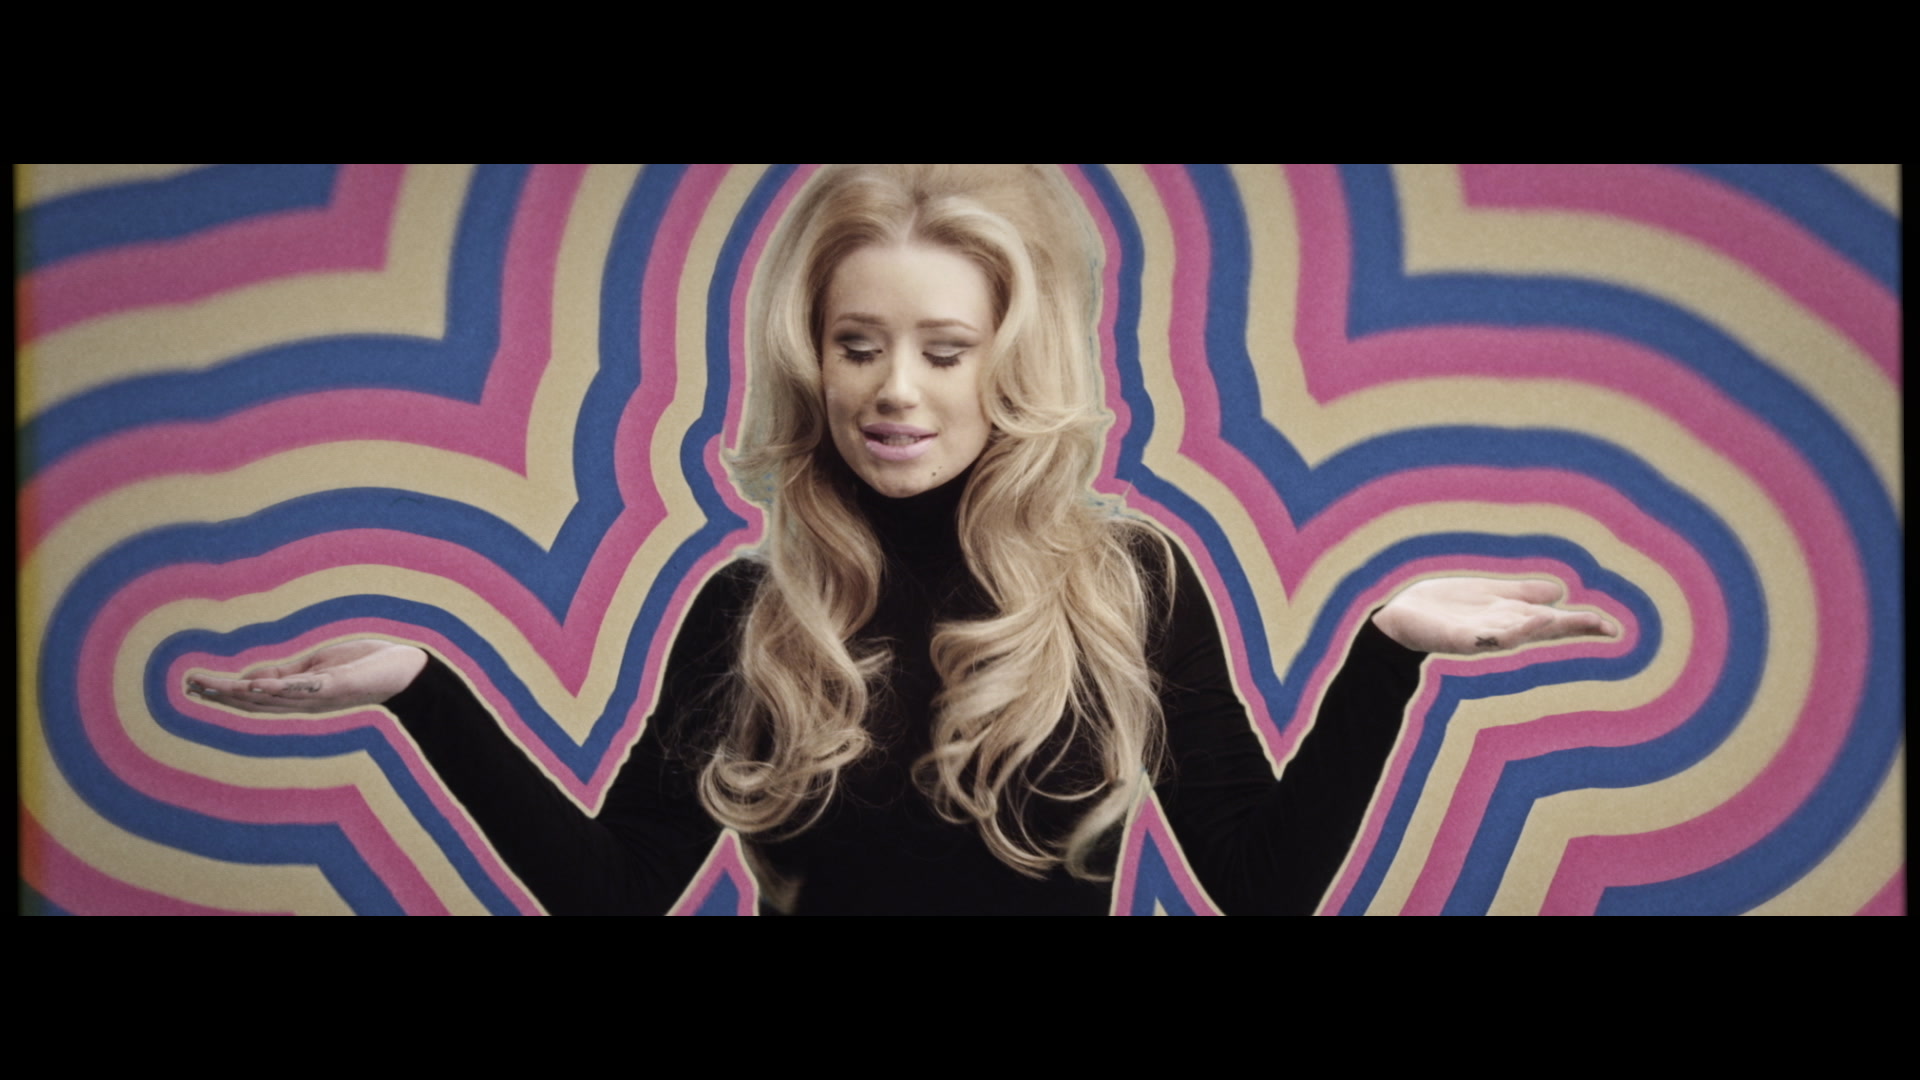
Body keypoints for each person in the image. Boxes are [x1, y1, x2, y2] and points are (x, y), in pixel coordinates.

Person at [185, 165, 1618, 914]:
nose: (895, 390)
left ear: (1012, 358)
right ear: (812, 355)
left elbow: (1263, 888)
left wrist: (1387, 654)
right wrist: (421, 690)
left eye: (945, 347)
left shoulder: (1127, 586)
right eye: (858, 342)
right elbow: (614, 894)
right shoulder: (753, 613)